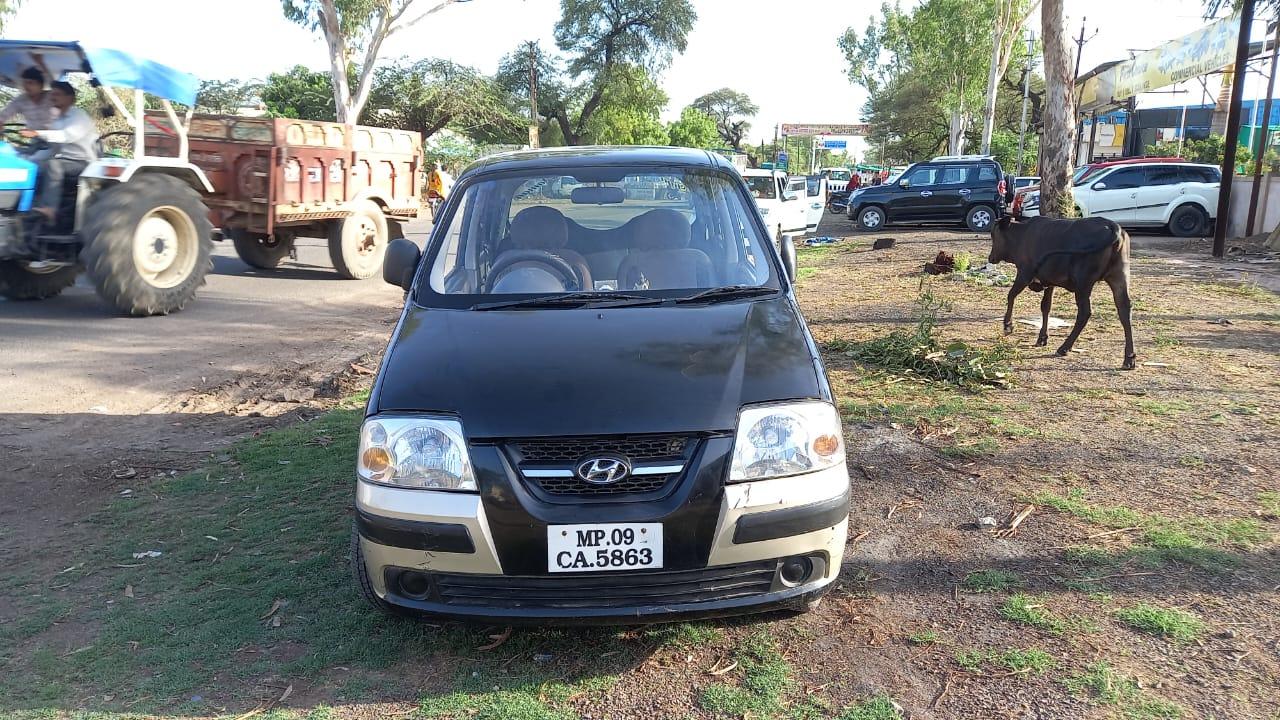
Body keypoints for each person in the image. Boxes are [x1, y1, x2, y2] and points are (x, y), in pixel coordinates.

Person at [21, 81, 98, 223]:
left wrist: (37, 133)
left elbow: (66, 136)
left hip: (83, 163)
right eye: (52, 94)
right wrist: (28, 160)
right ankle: (26, 208)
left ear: (70, 98)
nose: (53, 97)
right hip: (63, 160)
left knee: (53, 165)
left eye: (57, 94)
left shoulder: (79, 117)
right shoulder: (56, 120)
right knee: (34, 167)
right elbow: (53, 148)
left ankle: (49, 208)